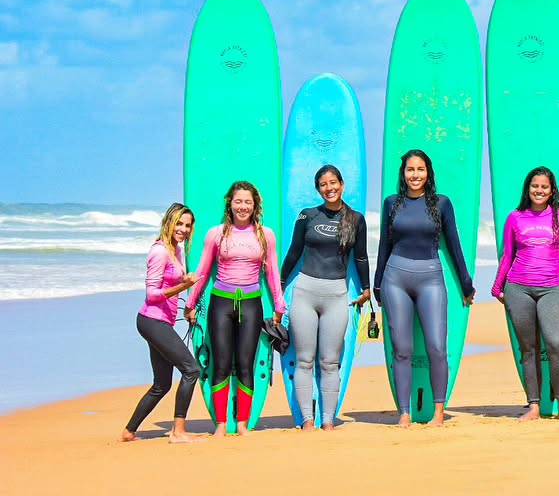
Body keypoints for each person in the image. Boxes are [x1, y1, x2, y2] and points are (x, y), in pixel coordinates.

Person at [373, 149, 475, 428]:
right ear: (403, 173)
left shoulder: (441, 204)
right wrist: (378, 282)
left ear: (428, 173)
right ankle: (404, 413)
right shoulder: (391, 203)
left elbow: (453, 244)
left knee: (436, 347)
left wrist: (466, 282)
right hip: (396, 278)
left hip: (430, 278)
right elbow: (384, 244)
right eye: (409, 169)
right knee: (402, 349)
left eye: (420, 169)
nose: (414, 175)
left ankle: (438, 413)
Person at [185, 181, 286, 437]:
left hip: (252, 303)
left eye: (248, 202)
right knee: (220, 363)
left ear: (255, 206)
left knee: (245, 363)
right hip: (221, 303)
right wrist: (190, 303)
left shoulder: (265, 235)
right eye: (238, 201)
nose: (243, 206)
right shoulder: (216, 233)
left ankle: (242, 424)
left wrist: (279, 305)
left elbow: (272, 272)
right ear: (230, 203)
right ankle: (220, 424)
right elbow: (203, 271)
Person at [492, 166, 559, 422]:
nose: (539, 190)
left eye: (544, 187)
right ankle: (534, 406)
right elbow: (507, 256)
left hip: (552, 288)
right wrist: (497, 286)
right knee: (528, 349)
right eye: (535, 186)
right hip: (518, 288)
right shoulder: (515, 217)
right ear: (528, 189)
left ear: (551, 190)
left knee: (556, 345)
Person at [280, 165, 371, 431]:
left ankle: (328, 421)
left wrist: (366, 289)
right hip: (306, 292)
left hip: (336, 295)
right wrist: (280, 284)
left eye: (333, 182)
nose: (329, 188)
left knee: (330, 362)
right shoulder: (307, 216)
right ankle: (308, 420)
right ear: (318, 189)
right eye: (323, 184)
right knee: (305, 359)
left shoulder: (356, 219)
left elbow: (361, 257)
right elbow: (294, 252)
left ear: (342, 185)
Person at [121, 203, 203, 443]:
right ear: (169, 222)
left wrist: (188, 307)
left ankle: (128, 432)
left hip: (160, 321)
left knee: (162, 384)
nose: (184, 229)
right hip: (151, 320)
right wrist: (184, 286)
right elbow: (152, 294)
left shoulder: (176, 250)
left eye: (187, 225)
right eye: (179, 223)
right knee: (191, 369)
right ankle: (178, 432)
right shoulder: (159, 251)